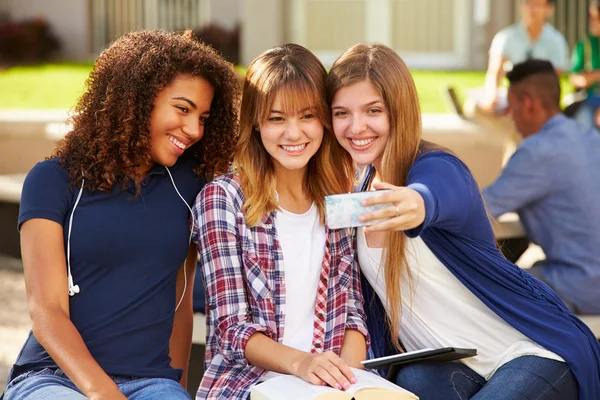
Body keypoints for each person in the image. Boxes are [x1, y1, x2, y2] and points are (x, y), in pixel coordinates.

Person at [326, 43, 600, 400]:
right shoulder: (356, 194)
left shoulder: (436, 167)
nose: (356, 126)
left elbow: (439, 192)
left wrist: (419, 202)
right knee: (411, 384)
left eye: (373, 110)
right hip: (451, 362)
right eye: (342, 113)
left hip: (525, 351)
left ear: (400, 110)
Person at [2, 30, 239, 400]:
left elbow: (179, 299)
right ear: (138, 100)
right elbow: (45, 309)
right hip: (52, 378)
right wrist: (102, 393)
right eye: (182, 109)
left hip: (150, 382)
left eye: (204, 117)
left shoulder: (190, 185)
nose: (194, 130)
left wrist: (174, 387)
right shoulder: (52, 180)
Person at [193, 43, 369, 400]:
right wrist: (303, 364)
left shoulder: (341, 197)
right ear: (256, 123)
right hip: (249, 388)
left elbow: (352, 312)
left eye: (307, 116)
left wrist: (349, 384)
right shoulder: (222, 200)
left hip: (327, 388)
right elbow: (231, 329)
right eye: (277, 118)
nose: (294, 134)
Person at [483, 59, 600, 316]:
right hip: (588, 278)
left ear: (528, 103)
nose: (512, 119)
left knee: (485, 289)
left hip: (584, 286)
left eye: (512, 108)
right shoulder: (590, 137)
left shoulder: (537, 151)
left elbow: (478, 209)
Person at [480, 0, 568, 114]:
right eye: (529, 4)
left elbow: (554, 81)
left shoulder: (557, 41)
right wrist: (492, 95)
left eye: (538, 5)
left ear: (549, 9)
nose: (532, 10)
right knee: (474, 108)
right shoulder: (506, 37)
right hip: (511, 99)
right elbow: (494, 72)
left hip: (540, 103)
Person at [570, 2, 600, 129]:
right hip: (590, 100)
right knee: (582, 125)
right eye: (591, 18)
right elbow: (575, 78)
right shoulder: (585, 45)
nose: (593, 22)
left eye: (597, 18)